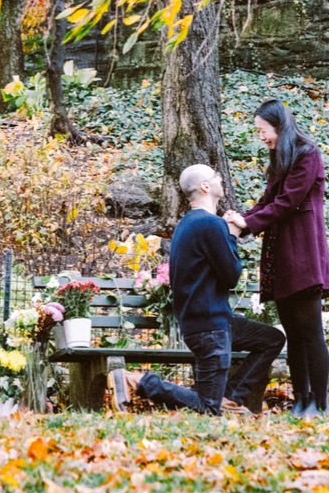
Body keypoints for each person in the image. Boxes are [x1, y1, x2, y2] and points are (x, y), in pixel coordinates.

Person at [109, 164, 286, 416]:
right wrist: (233, 235)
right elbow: (232, 276)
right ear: (205, 186)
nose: (221, 178)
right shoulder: (211, 225)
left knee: (271, 339)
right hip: (210, 328)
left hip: (210, 322)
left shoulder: (188, 224)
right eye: (216, 176)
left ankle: (231, 399)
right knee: (207, 406)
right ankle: (136, 382)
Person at [224, 99, 329, 418]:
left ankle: (320, 405)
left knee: (310, 331)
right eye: (258, 131)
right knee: (293, 333)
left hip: (303, 254)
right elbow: (268, 200)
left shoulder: (307, 154)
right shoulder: (280, 157)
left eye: (264, 130)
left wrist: (249, 223)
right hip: (282, 256)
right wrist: (242, 218)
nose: (261, 136)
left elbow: (288, 202)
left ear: (279, 125)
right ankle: (302, 401)